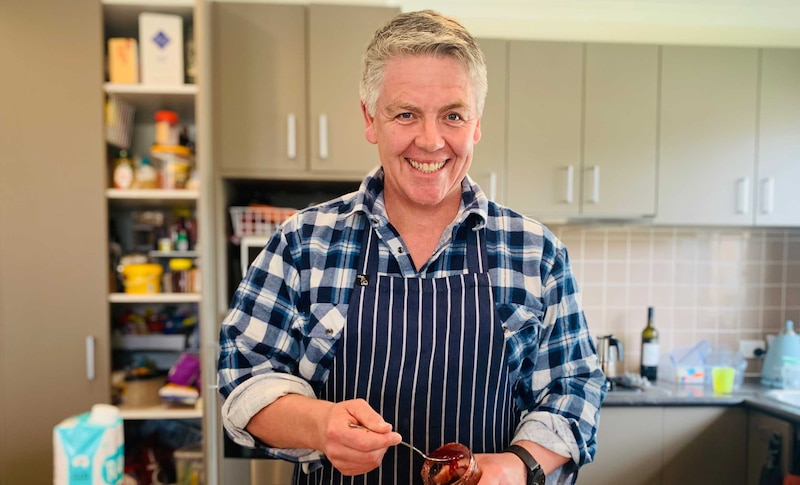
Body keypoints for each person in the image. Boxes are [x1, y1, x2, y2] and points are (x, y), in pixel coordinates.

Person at [218, 9, 607, 484]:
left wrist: (516, 466)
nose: (430, 140)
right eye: (405, 114)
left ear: (476, 123)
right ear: (370, 119)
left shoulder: (536, 252)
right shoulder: (303, 242)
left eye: (453, 115)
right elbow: (244, 377)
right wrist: (319, 426)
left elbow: (575, 387)